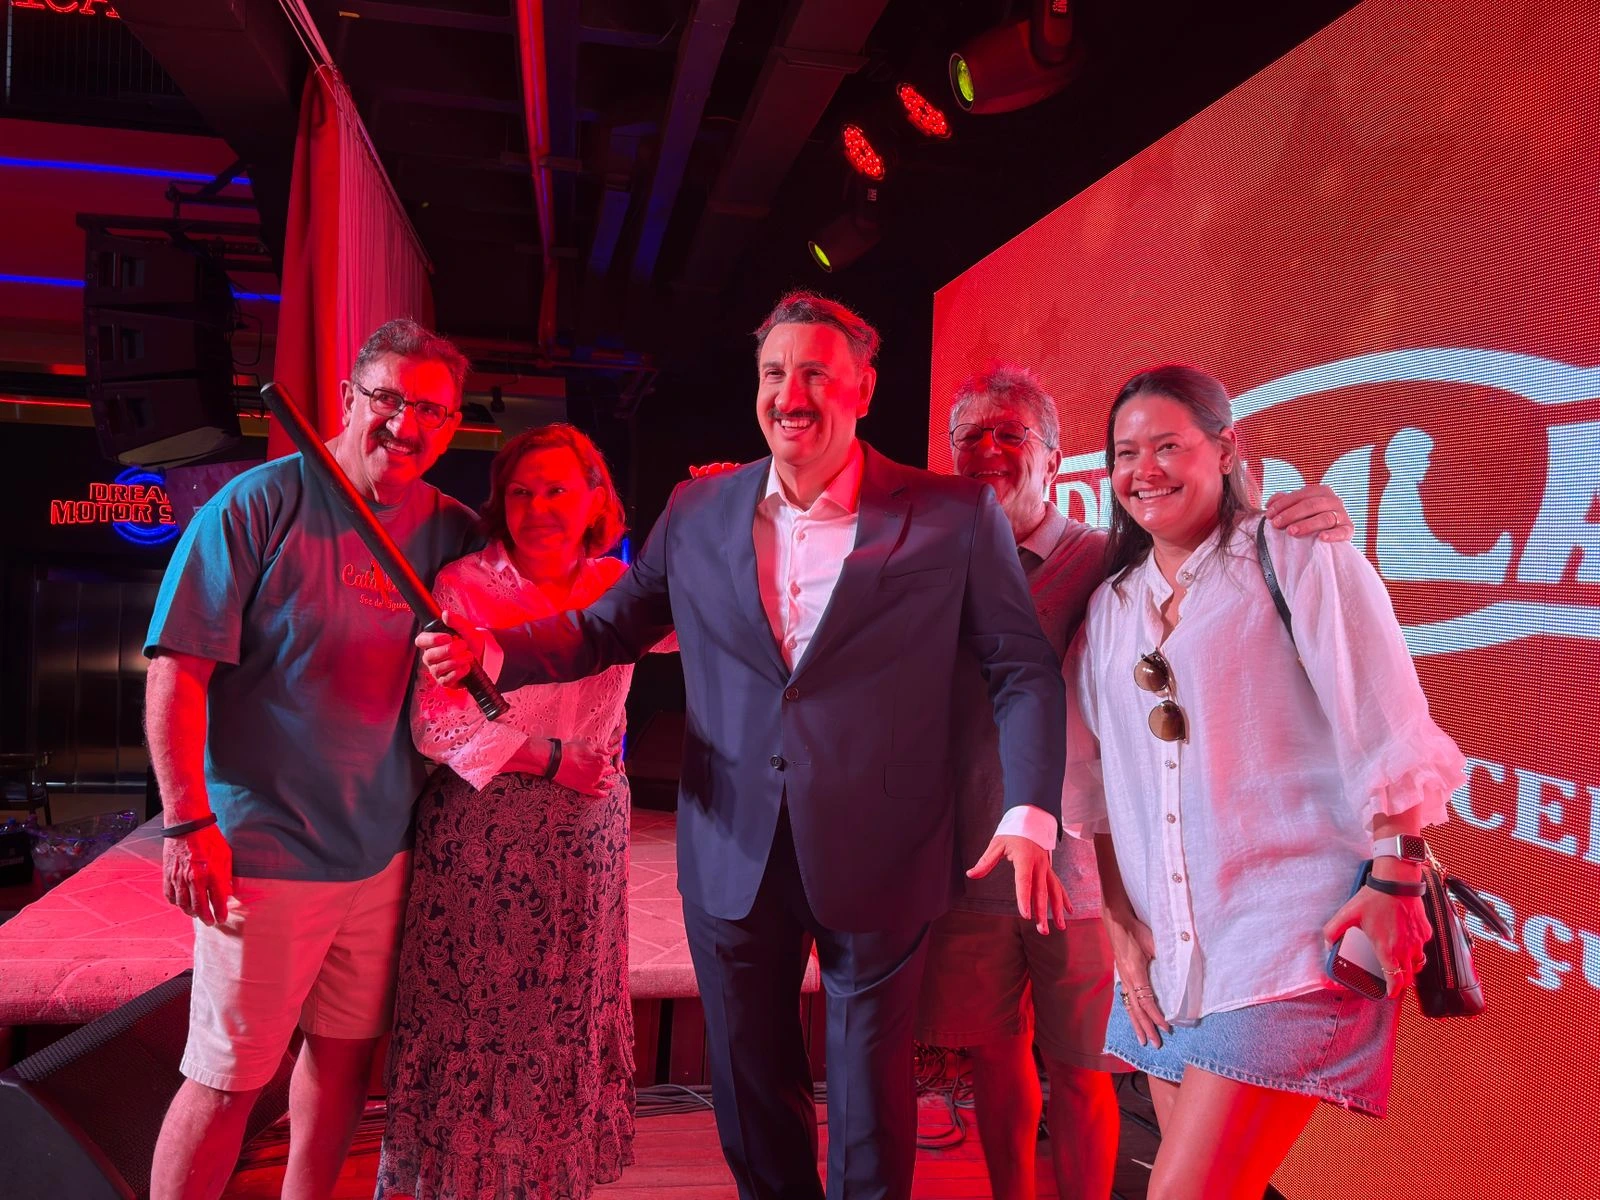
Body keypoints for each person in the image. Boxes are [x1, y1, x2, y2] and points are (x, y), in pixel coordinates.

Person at [418, 291, 1070, 1200]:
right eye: (774, 373)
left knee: (870, 1096)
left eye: (815, 374)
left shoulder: (953, 513)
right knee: (748, 1088)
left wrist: (1030, 810)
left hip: (884, 848)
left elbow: (1020, 666)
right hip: (730, 845)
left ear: (863, 389)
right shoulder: (698, 510)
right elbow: (609, 627)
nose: (790, 395)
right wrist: (496, 649)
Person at [917, 366, 1355, 1200]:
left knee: (1083, 1072)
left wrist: (1306, 518)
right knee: (995, 1059)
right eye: (971, 434)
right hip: (971, 862)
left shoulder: (1103, 559)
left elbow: (1211, 548)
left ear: (1054, 458)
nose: (990, 449)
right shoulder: (927, 562)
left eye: (1011, 433)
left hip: (1085, 878)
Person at [1062, 365, 1462, 1200]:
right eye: (1126, 453)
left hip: (1291, 937)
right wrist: (1119, 921)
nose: (1145, 470)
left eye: (1168, 446)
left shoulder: (1295, 555)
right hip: (1171, 961)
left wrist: (1396, 877)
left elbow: (1382, 720)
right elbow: (1098, 786)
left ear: (1226, 449)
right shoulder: (1110, 608)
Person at [144, 318, 478, 1200]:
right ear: (346, 398)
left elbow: (562, 587)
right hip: (262, 854)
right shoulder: (258, 505)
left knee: (342, 1065)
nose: (406, 424)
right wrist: (186, 822)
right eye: (388, 399)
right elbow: (178, 670)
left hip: (384, 853)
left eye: (431, 410)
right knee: (227, 1080)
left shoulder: (453, 530)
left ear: (453, 427)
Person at [376, 424, 638, 1200]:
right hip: (485, 837)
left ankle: (546, 1183)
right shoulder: (462, 584)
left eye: (557, 489)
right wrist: (553, 758)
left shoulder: (621, 587)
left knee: (565, 1019)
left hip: (588, 841)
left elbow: (717, 617)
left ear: (594, 499)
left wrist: (732, 506)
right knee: (478, 1024)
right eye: (521, 492)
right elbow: (436, 723)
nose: (538, 507)